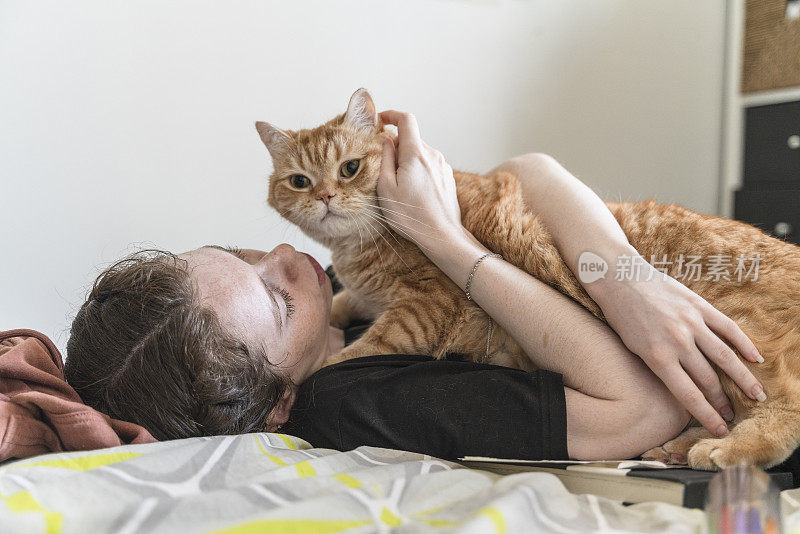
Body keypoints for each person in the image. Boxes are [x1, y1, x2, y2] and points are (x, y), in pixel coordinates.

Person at [64, 110, 765, 462]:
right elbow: (641, 410)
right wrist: (444, 237)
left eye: (245, 251)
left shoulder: (343, 289)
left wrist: (624, 279)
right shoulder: (352, 397)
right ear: (279, 405)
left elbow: (532, 170)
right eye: (278, 301)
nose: (283, 252)